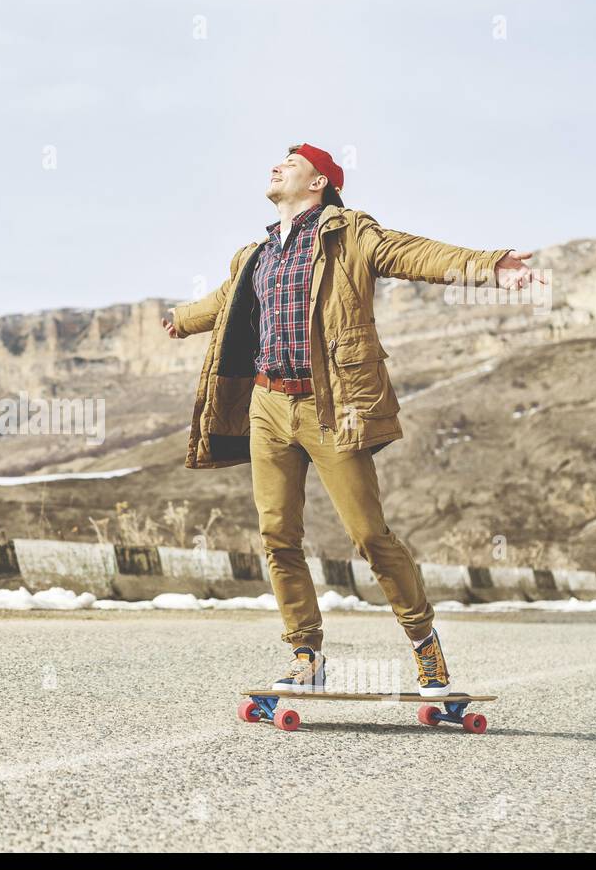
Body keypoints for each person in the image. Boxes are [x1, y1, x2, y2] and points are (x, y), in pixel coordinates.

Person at [162, 143, 543, 695]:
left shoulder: (351, 235)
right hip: (268, 406)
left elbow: (416, 254)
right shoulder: (257, 252)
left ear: (318, 182)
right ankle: (305, 656)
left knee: (368, 534)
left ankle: (424, 645)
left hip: (330, 405)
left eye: (290, 163)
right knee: (278, 536)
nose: (276, 166)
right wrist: (184, 317)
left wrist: (488, 265)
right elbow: (227, 299)